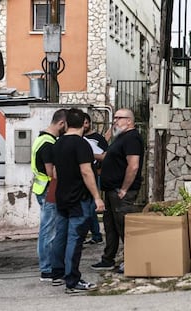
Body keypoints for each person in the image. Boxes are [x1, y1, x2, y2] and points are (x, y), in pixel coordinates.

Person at [50, 108, 105, 293]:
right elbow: (86, 171)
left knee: (61, 236)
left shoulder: (57, 143)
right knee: (75, 239)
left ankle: (57, 273)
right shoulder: (81, 145)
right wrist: (97, 197)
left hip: (62, 197)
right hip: (78, 199)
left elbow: (55, 172)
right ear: (84, 124)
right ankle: (72, 280)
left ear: (65, 123)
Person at [91, 108, 144, 274]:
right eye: (114, 118)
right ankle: (108, 259)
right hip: (110, 190)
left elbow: (133, 165)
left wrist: (124, 189)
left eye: (118, 118)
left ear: (129, 121)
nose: (115, 121)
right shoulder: (120, 138)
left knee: (124, 227)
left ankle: (132, 261)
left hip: (121, 192)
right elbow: (107, 157)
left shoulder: (132, 138)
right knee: (110, 226)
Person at [31, 108, 67, 282]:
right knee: (48, 231)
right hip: (48, 190)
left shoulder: (41, 138)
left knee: (48, 229)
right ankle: (47, 269)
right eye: (66, 126)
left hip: (41, 189)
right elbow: (51, 172)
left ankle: (48, 266)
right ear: (61, 123)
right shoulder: (49, 144)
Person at [82, 112, 109, 244]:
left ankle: (95, 234)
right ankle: (94, 234)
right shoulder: (78, 138)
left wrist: (91, 156)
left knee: (92, 205)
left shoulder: (98, 138)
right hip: (84, 175)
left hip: (95, 173)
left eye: (86, 123)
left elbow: (105, 156)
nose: (84, 126)